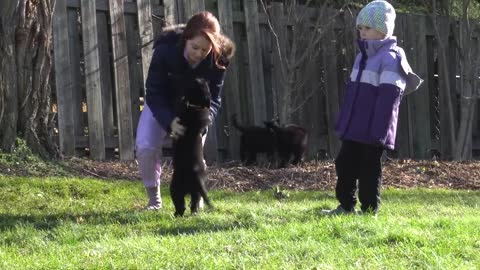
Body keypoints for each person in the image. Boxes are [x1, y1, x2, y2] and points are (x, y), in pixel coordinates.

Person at [324, 0, 422, 215]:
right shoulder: (362, 56)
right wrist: (345, 122)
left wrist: (380, 131)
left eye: (367, 28)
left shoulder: (391, 58)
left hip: (373, 129)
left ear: (383, 30)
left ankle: (369, 210)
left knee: (369, 169)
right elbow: (353, 94)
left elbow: (389, 98)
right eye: (360, 28)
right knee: (345, 163)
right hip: (355, 126)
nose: (362, 33)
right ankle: (346, 206)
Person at [135, 11, 235, 210]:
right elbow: (154, 92)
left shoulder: (218, 60)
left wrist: (204, 123)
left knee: (194, 157)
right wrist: (169, 121)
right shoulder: (165, 50)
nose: (198, 53)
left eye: (205, 50)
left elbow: (214, 98)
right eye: (195, 47)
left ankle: (196, 198)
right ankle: (154, 200)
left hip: (194, 114)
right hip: (162, 105)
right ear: (186, 38)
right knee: (145, 146)